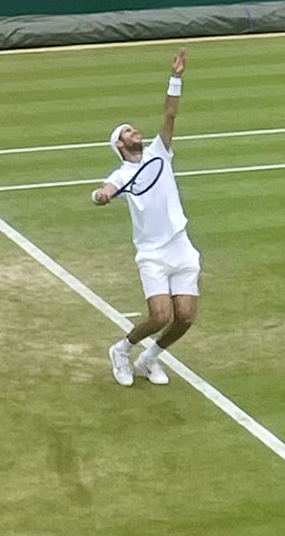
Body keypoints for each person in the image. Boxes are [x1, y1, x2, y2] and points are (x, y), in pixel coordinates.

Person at [94, 48, 200, 387]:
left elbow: (170, 114)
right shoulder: (122, 174)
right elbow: (105, 190)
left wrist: (176, 77)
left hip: (181, 245)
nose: (134, 132)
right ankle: (121, 351)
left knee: (184, 317)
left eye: (133, 129)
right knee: (160, 316)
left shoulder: (160, 152)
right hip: (152, 254)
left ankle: (149, 358)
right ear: (120, 145)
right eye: (127, 132)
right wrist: (102, 195)